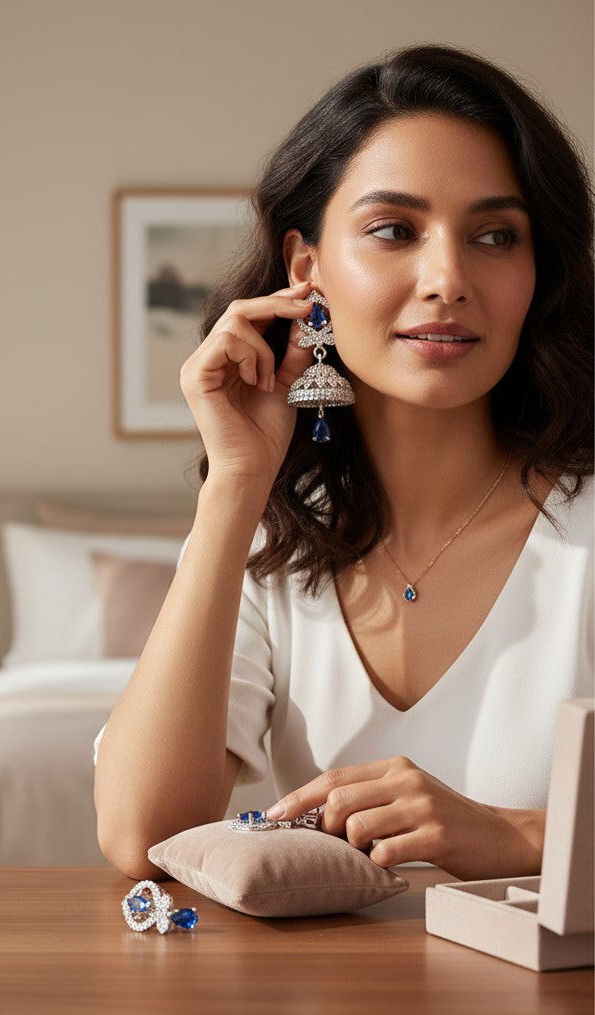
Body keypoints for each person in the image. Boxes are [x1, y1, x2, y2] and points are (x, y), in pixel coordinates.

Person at [94, 44, 593, 882]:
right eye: (395, 230)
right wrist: (235, 490)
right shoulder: (267, 541)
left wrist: (519, 836)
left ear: (535, 273)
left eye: (496, 235)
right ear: (306, 269)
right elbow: (143, 832)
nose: (447, 277)